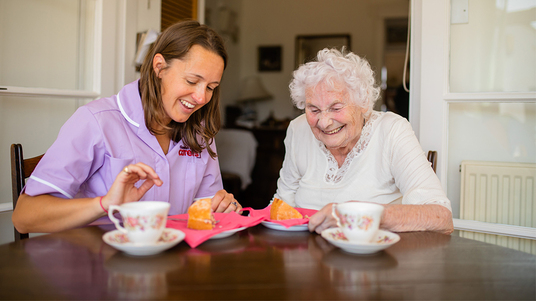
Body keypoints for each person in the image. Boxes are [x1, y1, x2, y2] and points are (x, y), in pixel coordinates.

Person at [12, 20, 241, 234]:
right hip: (97, 264)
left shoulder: (200, 133)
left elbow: (204, 210)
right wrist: (104, 204)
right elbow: (24, 217)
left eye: (211, 87)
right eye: (192, 81)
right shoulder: (97, 121)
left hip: (172, 264)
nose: (201, 97)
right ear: (159, 67)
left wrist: (222, 206)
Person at [274, 48, 453, 235]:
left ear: (363, 102)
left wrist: (366, 215)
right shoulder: (298, 129)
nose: (324, 122)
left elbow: (442, 218)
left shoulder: (392, 130)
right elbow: (282, 203)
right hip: (308, 255)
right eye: (314, 110)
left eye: (335, 107)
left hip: (375, 256)